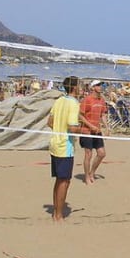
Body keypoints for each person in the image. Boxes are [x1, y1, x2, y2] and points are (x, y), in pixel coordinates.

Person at [47, 76, 85, 222]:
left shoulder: (59, 100)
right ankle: (58, 215)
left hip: (55, 144)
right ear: (74, 87)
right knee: (65, 181)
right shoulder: (74, 104)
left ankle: (56, 212)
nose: (81, 88)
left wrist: (59, 129)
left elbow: (49, 122)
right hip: (64, 146)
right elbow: (72, 127)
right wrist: (85, 130)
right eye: (80, 85)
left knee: (59, 180)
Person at [79, 80, 108, 185]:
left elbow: (103, 114)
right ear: (93, 87)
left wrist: (106, 127)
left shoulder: (101, 100)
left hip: (97, 130)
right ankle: (87, 177)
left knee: (102, 153)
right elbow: (80, 115)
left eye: (101, 85)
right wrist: (90, 126)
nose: (101, 87)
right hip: (86, 131)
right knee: (88, 154)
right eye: (98, 85)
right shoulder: (87, 99)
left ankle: (92, 173)